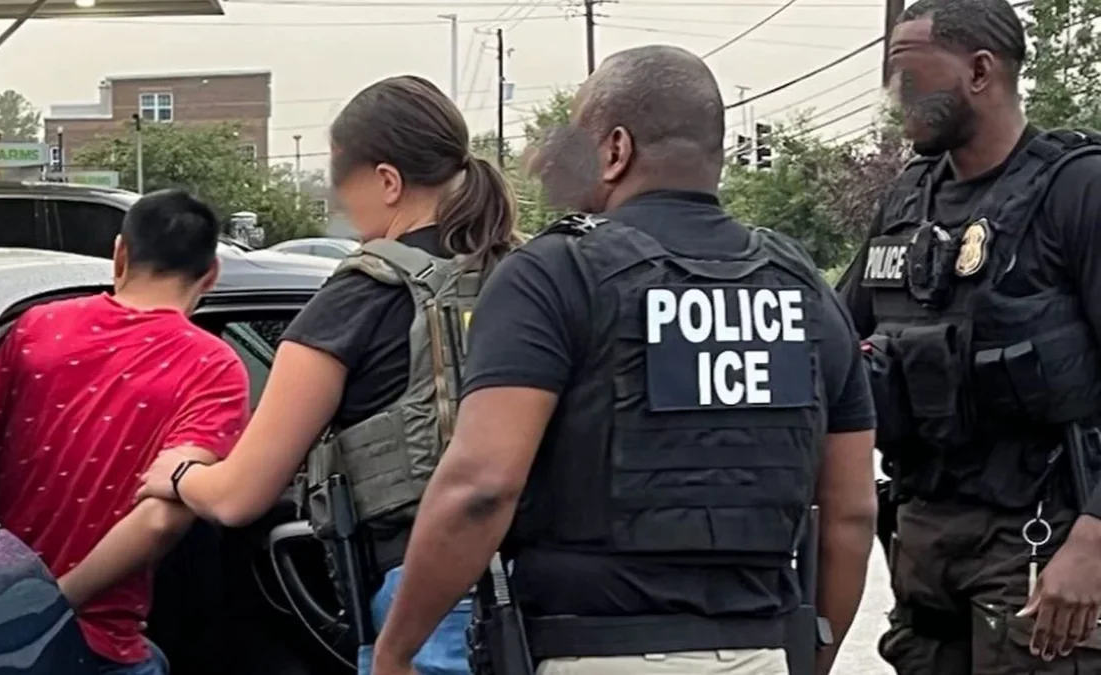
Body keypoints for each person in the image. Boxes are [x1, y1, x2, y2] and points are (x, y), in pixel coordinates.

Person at [369, 44, 879, 675]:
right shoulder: (803, 287)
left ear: (615, 150)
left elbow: (482, 486)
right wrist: (810, 659)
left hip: (588, 651)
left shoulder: (553, 275)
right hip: (761, 650)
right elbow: (851, 511)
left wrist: (396, 651)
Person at [135, 75, 518, 675]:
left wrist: (180, 476)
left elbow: (239, 496)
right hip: (541, 596)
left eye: (343, 180)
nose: (340, 204)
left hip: (425, 609)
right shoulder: (522, 277)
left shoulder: (362, 295)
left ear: (388, 181)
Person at [836, 0, 1101, 672]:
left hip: (1042, 540)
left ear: (980, 70)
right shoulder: (905, 201)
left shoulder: (1077, 192)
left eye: (912, 77)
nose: (898, 97)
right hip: (923, 543)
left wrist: (1092, 544)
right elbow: (835, 345)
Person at [0, 189, 251, 675]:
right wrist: (57, 603)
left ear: (120, 253)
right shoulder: (213, 367)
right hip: (95, 639)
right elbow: (159, 520)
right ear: (211, 274)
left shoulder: (36, 328)